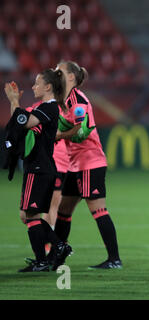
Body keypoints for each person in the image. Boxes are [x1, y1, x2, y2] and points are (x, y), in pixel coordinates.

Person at [54, 61, 122, 269]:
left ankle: (114, 259)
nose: (55, 74)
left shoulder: (78, 101)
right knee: (63, 211)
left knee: (98, 209)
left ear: (71, 77)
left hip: (89, 162)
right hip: (75, 164)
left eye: (59, 71)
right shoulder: (61, 100)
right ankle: (57, 257)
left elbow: (81, 133)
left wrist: (57, 134)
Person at [4, 69, 72, 272]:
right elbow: (18, 123)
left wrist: (14, 100)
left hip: (40, 168)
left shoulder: (49, 108)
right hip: (39, 168)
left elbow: (22, 121)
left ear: (48, 87)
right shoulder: (44, 108)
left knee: (29, 214)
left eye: (37, 83)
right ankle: (52, 252)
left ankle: (52, 252)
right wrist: (14, 103)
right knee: (28, 215)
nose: (33, 87)